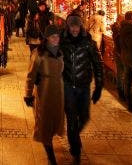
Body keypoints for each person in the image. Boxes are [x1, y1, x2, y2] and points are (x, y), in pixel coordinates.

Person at [61, 14, 103, 163]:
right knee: (72, 119)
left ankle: (73, 136)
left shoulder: (88, 43)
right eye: (72, 26)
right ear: (68, 26)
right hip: (67, 87)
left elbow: (98, 64)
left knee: (84, 117)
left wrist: (99, 86)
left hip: (84, 87)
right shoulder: (62, 41)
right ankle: (76, 150)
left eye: (76, 26)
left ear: (80, 26)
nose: (74, 29)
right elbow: (50, 54)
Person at [24, 25, 65, 165]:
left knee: (55, 121)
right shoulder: (38, 53)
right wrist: (28, 94)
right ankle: (51, 157)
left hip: (59, 92)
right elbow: (30, 76)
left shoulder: (60, 53)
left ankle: (51, 146)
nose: (56, 39)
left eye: (58, 36)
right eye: (53, 37)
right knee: (44, 124)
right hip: (45, 92)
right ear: (47, 38)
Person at [110, 13, 126, 100]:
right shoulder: (118, 29)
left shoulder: (116, 28)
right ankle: (121, 92)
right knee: (121, 74)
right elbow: (120, 43)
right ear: (119, 20)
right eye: (123, 19)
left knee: (120, 73)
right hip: (120, 54)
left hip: (118, 52)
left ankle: (121, 91)